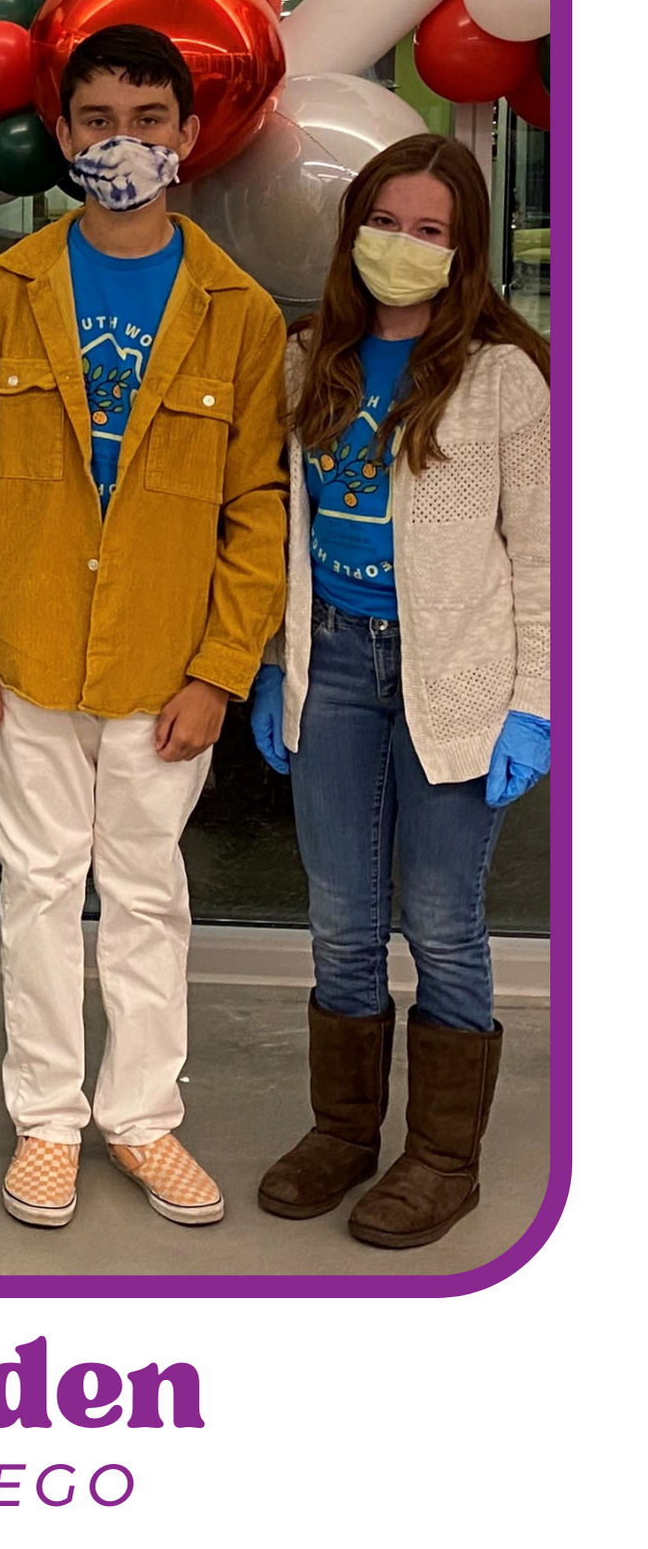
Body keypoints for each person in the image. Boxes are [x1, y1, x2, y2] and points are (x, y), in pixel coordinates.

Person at [0, 24, 288, 1230]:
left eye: (146, 119)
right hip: (22, 655)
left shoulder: (238, 312)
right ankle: (47, 1121)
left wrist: (222, 673)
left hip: (162, 664)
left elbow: (257, 511)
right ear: (64, 136)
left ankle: (142, 1118)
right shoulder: (4, 293)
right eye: (96, 121)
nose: (121, 142)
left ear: (187, 136)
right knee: (36, 890)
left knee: (145, 895)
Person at [250, 132, 550, 1249]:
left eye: (432, 231)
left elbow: (544, 554)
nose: (405, 247)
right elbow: (290, 523)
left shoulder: (503, 375)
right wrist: (278, 657)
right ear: (353, 230)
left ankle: (441, 1156)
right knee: (340, 916)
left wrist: (537, 700)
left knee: (440, 919)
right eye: (388, 223)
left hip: (456, 677)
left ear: (464, 248)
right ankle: (343, 1130)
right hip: (331, 664)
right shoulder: (309, 353)